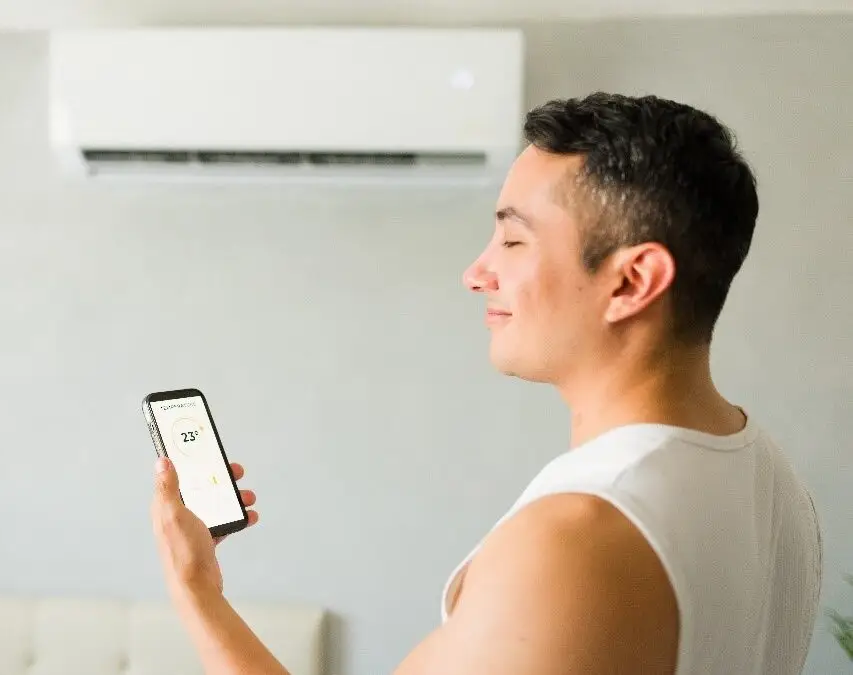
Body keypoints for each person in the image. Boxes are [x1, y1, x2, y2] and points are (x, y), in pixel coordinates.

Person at [149, 92, 824, 674]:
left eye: (513, 240)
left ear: (630, 281)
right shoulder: (772, 481)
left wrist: (191, 588)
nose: (476, 273)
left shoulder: (575, 534)